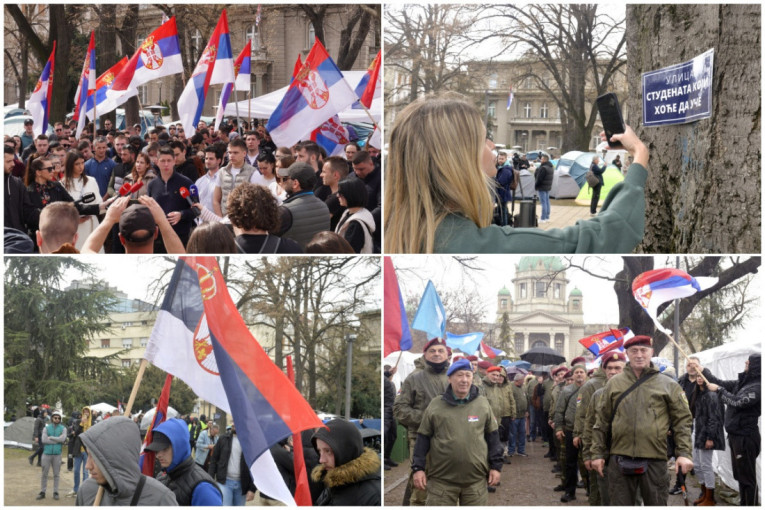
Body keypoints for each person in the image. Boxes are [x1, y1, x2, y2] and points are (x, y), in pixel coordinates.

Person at [384, 92, 650, 253]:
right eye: (483, 139)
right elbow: (608, 236)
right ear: (457, 160)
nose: (492, 146)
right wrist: (639, 155)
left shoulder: (401, 232)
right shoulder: (483, 244)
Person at [590, 335, 693, 506]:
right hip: (619, 458)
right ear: (627, 354)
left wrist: (684, 454)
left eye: (644, 350)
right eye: (634, 351)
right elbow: (601, 422)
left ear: (651, 352)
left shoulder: (668, 385)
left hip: (655, 459)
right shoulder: (614, 384)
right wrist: (597, 453)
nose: (639, 355)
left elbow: (682, 422)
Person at [411, 358, 503, 505]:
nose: (464, 380)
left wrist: (496, 467)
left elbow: (493, 438)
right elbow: (423, 438)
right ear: (450, 378)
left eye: (468, 375)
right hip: (442, 483)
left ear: (472, 378)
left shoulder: (483, 404)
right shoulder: (436, 405)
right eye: (459, 375)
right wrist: (418, 468)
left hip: (475, 483)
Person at [393, 338, 450, 505]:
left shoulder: (455, 377)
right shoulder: (414, 378)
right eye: (432, 351)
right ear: (425, 354)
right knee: (420, 482)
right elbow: (399, 409)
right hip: (420, 439)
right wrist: (427, 419)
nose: (437, 354)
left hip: (450, 439)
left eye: (441, 351)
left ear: (447, 355)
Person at [76, 416, 178, 506]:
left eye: (94, 457)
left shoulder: (160, 499)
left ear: (116, 457)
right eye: (88, 455)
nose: (87, 466)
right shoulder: (86, 491)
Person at [705, 353, 761, 506]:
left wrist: (719, 391)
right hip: (736, 437)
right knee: (740, 476)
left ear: (755, 365)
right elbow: (719, 382)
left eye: (749, 361)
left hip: (746, 438)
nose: (745, 362)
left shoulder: (758, 386)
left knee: (747, 479)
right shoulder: (742, 383)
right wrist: (703, 370)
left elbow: (738, 402)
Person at [582, 351, 627, 506]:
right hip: (605, 456)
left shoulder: (636, 392)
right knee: (606, 498)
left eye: (617, 368)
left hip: (630, 456)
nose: (612, 371)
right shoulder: (598, 395)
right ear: (604, 369)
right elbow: (589, 427)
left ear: (625, 369)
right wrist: (588, 454)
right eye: (609, 368)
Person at [145, 418, 222, 505]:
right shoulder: (162, 475)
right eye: (156, 450)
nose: (158, 455)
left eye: (164, 449)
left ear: (179, 447)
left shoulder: (203, 488)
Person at [311, 418, 381, 506]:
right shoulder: (332, 479)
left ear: (346, 449)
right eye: (319, 451)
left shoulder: (374, 495)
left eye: (328, 451)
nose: (321, 460)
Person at [275, 162, 331, 249]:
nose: (283, 182)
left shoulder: (285, 211)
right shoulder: (324, 206)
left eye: (285, 179)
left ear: (295, 183)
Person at [554, 362, 588, 502]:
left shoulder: (591, 389)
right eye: (577, 372)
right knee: (570, 463)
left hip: (586, 432)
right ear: (573, 375)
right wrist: (559, 428)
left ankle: (591, 491)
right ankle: (570, 491)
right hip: (569, 430)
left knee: (587, 463)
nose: (579, 374)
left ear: (585, 374)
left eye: (581, 372)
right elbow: (559, 410)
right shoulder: (566, 391)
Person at [689, 375, 725, 506]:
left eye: (701, 375)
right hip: (697, 433)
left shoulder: (711, 395)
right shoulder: (697, 393)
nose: (699, 378)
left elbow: (714, 418)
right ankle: (704, 495)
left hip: (706, 435)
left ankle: (710, 499)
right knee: (697, 465)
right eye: (697, 376)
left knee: (705, 466)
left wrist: (710, 438)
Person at [62, 151, 105, 252]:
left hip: (92, 223)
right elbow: (64, 210)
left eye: (82, 163)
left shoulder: (91, 180)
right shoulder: (62, 184)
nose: (81, 166)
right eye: (77, 164)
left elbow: (99, 203)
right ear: (70, 165)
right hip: (75, 227)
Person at [207, 422, 256, 506]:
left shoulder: (250, 442)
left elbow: (255, 466)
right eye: (233, 422)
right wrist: (210, 481)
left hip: (242, 485)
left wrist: (252, 489)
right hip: (224, 483)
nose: (234, 424)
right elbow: (214, 460)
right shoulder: (223, 439)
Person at [482, 366, 516, 471]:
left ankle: (491, 475)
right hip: (486, 423)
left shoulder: (497, 387)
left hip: (497, 423)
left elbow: (500, 404)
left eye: (498, 375)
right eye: (494, 375)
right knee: (485, 450)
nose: (496, 377)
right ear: (487, 374)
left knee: (494, 449)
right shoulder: (482, 387)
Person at [334, 177, 375, 253]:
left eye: (340, 193)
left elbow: (350, 251)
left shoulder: (356, 224)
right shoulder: (349, 212)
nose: (337, 195)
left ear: (350, 195)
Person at [38, 409, 68, 501]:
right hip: (46, 454)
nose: (57, 419)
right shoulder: (46, 428)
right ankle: (43, 492)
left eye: (59, 418)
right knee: (44, 474)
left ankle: (55, 492)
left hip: (57, 455)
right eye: (55, 417)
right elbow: (44, 440)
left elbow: (63, 439)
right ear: (52, 418)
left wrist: (51, 437)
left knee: (56, 474)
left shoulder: (63, 428)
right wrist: (57, 440)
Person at [67, 406, 92, 498]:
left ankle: (83, 491)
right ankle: (76, 489)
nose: (86, 413)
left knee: (85, 472)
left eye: (87, 411)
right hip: (78, 449)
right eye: (84, 411)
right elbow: (76, 433)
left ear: (89, 413)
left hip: (87, 451)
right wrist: (82, 423)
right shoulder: (78, 422)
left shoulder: (92, 423)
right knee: (76, 471)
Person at [508, 373, 529, 458]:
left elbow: (526, 399)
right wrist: (512, 413)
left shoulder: (523, 387)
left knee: (522, 433)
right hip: (515, 416)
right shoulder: (511, 387)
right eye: (522, 380)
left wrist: (527, 410)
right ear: (517, 380)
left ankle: (521, 450)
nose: (523, 382)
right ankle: (511, 450)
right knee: (513, 434)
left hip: (522, 415)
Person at [535, 154, 554, 223]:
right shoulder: (550, 167)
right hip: (547, 186)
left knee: (543, 203)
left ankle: (543, 218)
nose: (541, 160)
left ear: (545, 160)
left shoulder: (543, 168)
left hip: (542, 187)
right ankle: (547, 217)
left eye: (542, 159)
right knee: (547, 202)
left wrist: (536, 185)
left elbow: (539, 178)